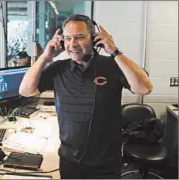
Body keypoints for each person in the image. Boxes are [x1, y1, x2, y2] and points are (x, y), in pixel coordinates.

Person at [19, 14, 153, 179]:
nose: (72, 44)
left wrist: (115, 51)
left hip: (106, 164)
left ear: (95, 40)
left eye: (79, 37)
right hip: (70, 163)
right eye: (67, 38)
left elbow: (145, 88)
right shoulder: (58, 69)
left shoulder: (113, 65)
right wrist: (45, 57)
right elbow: (25, 91)